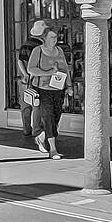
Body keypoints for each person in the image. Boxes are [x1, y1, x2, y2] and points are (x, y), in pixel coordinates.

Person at [26, 27, 71, 159]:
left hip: (58, 89)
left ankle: (41, 137)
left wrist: (69, 85)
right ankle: (53, 149)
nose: (54, 40)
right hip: (43, 89)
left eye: (55, 37)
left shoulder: (59, 50)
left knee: (56, 117)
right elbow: (31, 69)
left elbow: (65, 69)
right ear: (44, 38)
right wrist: (47, 72)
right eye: (51, 37)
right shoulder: (37, 51)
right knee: (48, 117)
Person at [17, 21, 46, 140]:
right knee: (37, 105)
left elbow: (20, 61)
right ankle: (36, 129)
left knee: (25, 105)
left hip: (25, 80)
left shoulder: (25, 44)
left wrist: (25, 74)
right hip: (37, 80)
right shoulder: (40, 47)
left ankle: (26, 128)